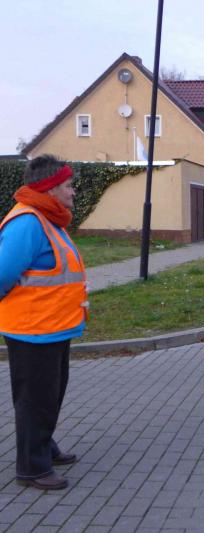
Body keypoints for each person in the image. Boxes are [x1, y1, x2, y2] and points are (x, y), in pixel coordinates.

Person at [0, 155, 87, 490]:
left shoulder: (49, 219)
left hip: (53, 327)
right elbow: (3, 274)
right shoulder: (27, 222)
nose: (73, 191)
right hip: (32, 330)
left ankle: (44, 446)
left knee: (49, 396)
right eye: (68, 185)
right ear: (50, 189)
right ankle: (32, 468)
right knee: (35, 400)